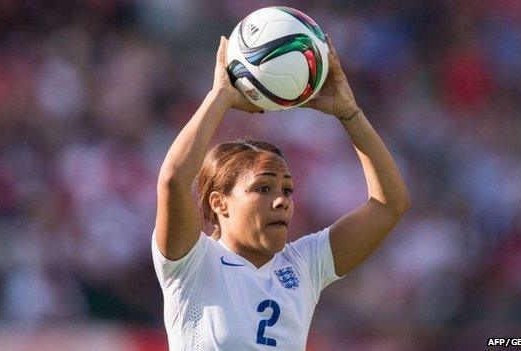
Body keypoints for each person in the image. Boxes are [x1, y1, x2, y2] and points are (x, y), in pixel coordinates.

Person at [152, 35, 410, 350]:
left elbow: (390, 204)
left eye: (287, 189)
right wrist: (220, 97)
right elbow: (174, 179)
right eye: (263, 188)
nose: (282, 201)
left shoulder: (304, 265)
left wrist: (350, 114)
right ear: (220, 203)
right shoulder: (192, 262)